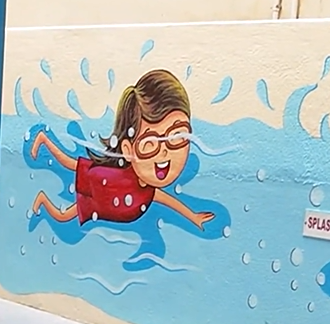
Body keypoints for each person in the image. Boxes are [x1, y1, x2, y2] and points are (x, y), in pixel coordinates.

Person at [28, 69, 216, 231]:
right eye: (149, 143)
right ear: (128, 149)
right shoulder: (118, 176)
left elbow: (170, 202)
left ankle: (43, 200)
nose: (164, 151)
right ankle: (44, 140)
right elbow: (71, 164)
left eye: (176, 137)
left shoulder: (149, 193)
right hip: (100, 181)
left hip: (97, 206)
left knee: (62, 216)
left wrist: (193, 216)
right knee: (69, 164)